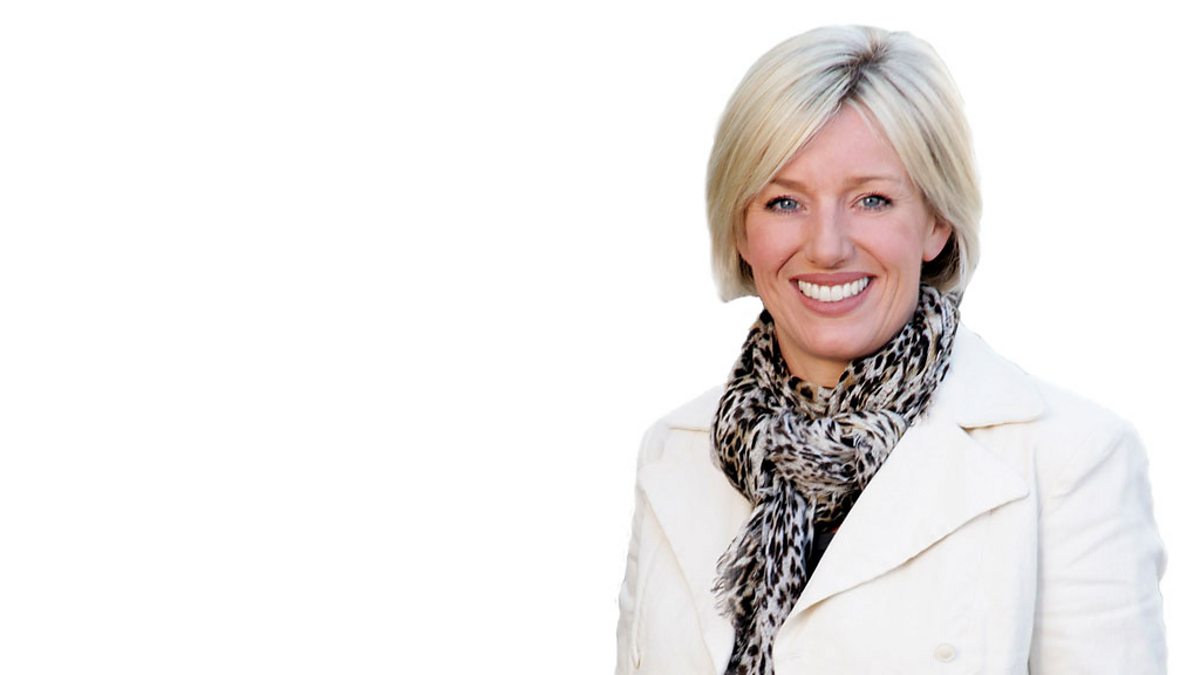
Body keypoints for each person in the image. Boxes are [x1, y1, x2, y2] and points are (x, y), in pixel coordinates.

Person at [614, 25, 1166, 675]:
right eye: (785, 201)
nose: (827, 246)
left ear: (937, 222)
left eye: (872, 200)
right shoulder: (673, 450)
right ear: (740, 229)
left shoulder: (1072, 459)